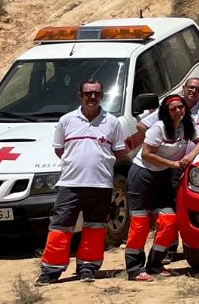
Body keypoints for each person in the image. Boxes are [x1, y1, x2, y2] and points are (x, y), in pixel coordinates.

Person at [37, 79, 130, 286]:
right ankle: (51, 271)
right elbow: (59, 150)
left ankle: (88, 267)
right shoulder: (66, 120)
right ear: (80, 96)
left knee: (95, 228)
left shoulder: (112, 122)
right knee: (60, 227)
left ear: (102, 96)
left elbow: (119, 152)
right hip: (70, 184)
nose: (92, 97)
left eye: (97, 93)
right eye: (88, 93)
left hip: (101, 186)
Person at [124, 94, 199, 282]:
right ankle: (134, 269)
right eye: (173, 108)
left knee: (169, 220)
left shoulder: (187, 125)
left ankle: (155, 264)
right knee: (140, 223)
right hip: (143, 175)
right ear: (166, 111)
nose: (177, 111)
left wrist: (190, 156)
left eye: (180, 107)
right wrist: (172, 163)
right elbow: (147, 154)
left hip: (165, 176)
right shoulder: (158, 128)